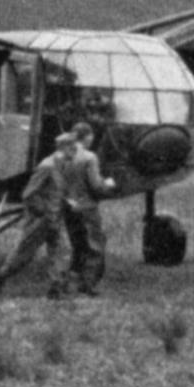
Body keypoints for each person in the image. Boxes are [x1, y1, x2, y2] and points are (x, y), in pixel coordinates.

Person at [0, 132, 80, 299]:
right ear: (62, 148)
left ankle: (56, 289)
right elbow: (28, 194)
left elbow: (56, 191)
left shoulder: (63, 165)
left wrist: (68, 202)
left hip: (55, 219)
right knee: (23, 255)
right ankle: (1, 277)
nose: (75, 150)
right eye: (71, 147)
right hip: (40, 221)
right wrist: (43, 211)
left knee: (62, 252)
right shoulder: (47, 166)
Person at [62, 121, 116, 296]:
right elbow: (96, 186)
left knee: (77, 246)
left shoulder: (63, 156)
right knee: (95, 246)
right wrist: (108, 184)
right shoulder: (89, 157)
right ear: (87, 137)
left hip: (69, 207)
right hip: (87, 208)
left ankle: (69, 282)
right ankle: (88, 285)